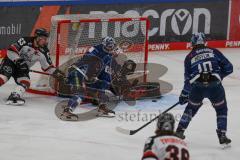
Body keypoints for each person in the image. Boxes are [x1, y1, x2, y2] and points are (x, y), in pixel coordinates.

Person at [176, 32, 233, 147]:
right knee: (221, 109)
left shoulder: (189, 57)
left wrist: (184, 94)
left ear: (192, 43)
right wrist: (217, 76)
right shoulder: (214, 52)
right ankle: (222, 135)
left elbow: (188, 80)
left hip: (198, 87)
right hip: (215, 87)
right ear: (204, 42)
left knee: (191, 108)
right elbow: (229, 68)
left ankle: (179, 131)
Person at [61, 36, 123, 120]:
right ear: (103, 45)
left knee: (104, 84)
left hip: (87, 78)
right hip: (77, 72)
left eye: (112, 46)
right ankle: (67, 111)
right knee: (80, 93)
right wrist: (110, 55)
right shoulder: (95, 49)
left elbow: (106, 75)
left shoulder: (109, 58)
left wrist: (117, 74)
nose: (110, 48)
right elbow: (91, 59)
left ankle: (102, 108)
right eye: (108, 46)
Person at [0, 28, 64, 105]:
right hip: (10, 62)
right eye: (43, 38)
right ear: (37, 37)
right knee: (3, 78)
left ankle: (15, 95)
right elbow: (11, 51)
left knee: (26, 82)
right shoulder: (25, 40)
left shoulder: (44, 51)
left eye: (46, 39)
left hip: (22, 69)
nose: (45, 41)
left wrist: (57, 73)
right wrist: (18, 60)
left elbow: (48, 67)